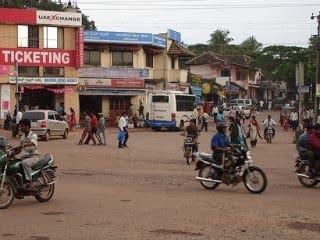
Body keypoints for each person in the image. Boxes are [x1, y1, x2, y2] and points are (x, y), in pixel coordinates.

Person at [11, 119, 39, 189]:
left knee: (24, 163)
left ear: (27, 126)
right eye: (20, 126)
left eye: (22, 126)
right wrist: (11, 154)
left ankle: (30, 182)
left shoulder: (33, 135)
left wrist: (24, 145)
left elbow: (32, 143)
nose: (21, 128)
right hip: (24, 157)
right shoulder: (22, 137)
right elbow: (19, 150)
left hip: (33, 157)